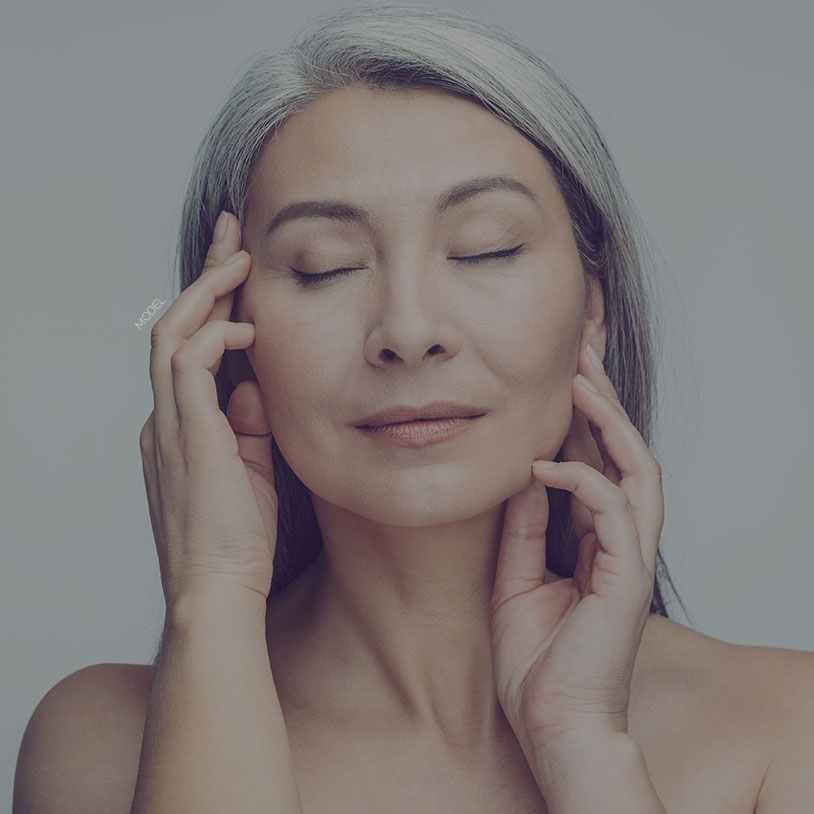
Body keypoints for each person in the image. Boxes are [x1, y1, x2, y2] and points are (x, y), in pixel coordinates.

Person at [13, 4, 814, 813]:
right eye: (325, 267)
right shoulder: (100, 747)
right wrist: (213, 600)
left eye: (486, 248)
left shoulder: (786, 729)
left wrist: (583, 741)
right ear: (228, 332)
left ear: (592, 311)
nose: (407, 329)